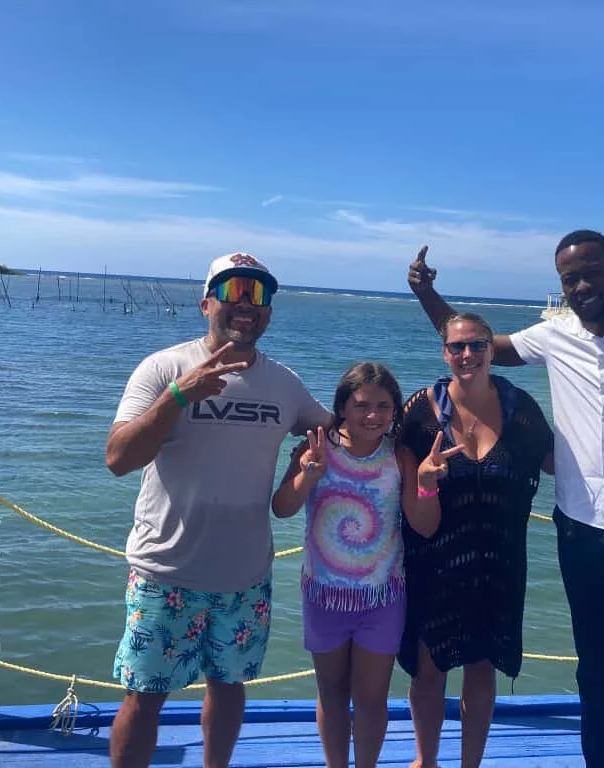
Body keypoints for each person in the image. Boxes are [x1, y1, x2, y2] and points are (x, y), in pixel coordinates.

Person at [407, 231, 604, 768]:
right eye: (569, 279)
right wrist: (426, 295)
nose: (581, 286)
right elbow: (476, 344)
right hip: (577, 529)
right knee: (593, 669)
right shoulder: (555, 336)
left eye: (590, 272)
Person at [105, 252, 331, 768]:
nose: (247, 305)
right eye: (233, 291)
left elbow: (336, 432)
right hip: (166, 572)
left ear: (270, 311)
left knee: (229, 689)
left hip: (246, 576)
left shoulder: (284, 383)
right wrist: (177, 397)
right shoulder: (164, 368)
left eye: (260, 294)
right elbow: (119, 458)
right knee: (145, 697)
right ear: (207, 302)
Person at [271, 362, 457, 768]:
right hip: (324, 595)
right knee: (332, 696)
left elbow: (424, 526)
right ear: (341, 407)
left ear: (395, 412)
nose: (372, 415)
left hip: (382, 597)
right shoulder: (315, 448)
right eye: (361, 405)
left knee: (371, 701)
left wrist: (426, 483)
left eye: (383, 406)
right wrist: (308, 476)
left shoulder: (401, 457)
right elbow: (282, 508)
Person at [399, 311, 555, 768]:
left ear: (492, 349)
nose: (467, 355)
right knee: (430, 667)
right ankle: (425, 761)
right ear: (444, 352)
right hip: (435, 559)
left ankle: (471, 765)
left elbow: (555, 460)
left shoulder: (519, 407)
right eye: (456, 347)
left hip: (499, 559)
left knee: (482, 664)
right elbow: (380, 454)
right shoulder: (420, 412)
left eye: (477, 345)